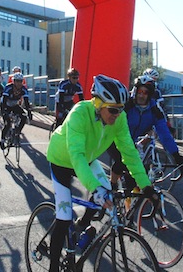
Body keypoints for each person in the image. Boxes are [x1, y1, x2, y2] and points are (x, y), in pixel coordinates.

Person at [46, 74, 157, 272]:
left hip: (87, 159)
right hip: (62, 160)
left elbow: (129, 152)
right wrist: (94, 188)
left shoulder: (118, 118)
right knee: (63, 217)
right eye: (113, 110)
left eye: (121, 109)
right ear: (98, 103)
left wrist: (146, 185)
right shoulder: (80, 113)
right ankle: (54, 266)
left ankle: (82, 227)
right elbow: (77, 156)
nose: (118, 114)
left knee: (107, 192)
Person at [107, 74, 183, 190]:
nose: (141, 95)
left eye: (145, 93)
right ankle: (112, 187)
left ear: (150, 95)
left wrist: (178, 157)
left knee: (136, 175)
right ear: (135, 91)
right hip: (113, 138)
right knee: (122, 162)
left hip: (130, 142)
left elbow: (165, 135)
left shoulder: (154, 110)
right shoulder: (127, 105)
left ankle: (128, 202)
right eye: (139, 91)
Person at [0, 72, 32, 149]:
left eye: (20, 81)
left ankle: (17, 131)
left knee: (24, 117)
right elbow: (4, 100)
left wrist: (29, 112)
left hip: (14, 104)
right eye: (17, 81)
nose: (19, 83)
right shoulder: (9, 87)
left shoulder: (24, 89)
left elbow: (26, 102)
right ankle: (2, 140)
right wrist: (4, 112)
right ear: (14, 81)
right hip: (5, 104)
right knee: (7, 123)